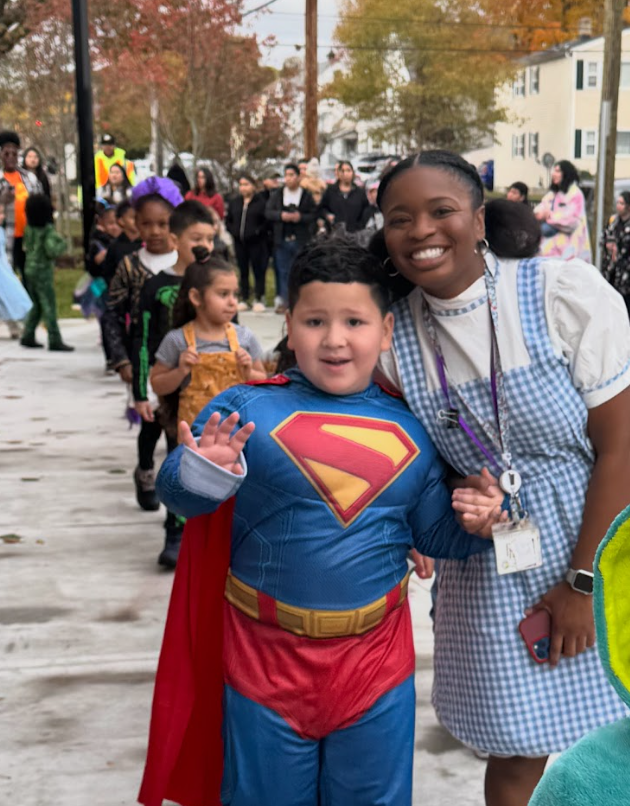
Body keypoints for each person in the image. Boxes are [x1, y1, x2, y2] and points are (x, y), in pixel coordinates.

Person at [138, 237, 504, 806]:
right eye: (315, 321)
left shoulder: (415, 425)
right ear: (289, 326)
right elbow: (179, 496)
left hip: (376, 665)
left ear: (386, 330)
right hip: (263, 660)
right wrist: (202, 471)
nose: (335, 339)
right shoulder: (244, 409)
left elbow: (433, 533)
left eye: (354, 321)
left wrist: (481, 524)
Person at [372, 150, 630, 806]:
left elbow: (620, 447)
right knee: (516, 748)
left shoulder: (558, 294)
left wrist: (582, 582)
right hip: (489, 564)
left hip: (601, 541)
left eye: (441, 211)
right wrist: (444, 507)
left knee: (617, 737)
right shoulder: (395, 337)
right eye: (400, 219)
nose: (422, 231)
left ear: (479, 220)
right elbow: (414, 463)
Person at [101, 176, 183, 512]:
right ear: (135, 223)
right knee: (150, 421)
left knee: (177, 424)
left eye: (163, 223)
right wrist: (121, 359)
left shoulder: (185, 263)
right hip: (143, 355)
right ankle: (146, 471)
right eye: (146, 223)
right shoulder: (130, 265)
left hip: (181, 358)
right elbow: (111, 313)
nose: (155, 231)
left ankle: (176, 486)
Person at [19, 194, 72, 351]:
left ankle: (28, 334)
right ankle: (54, 339)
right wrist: (62, 245)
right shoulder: (47, 231)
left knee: (36, 304)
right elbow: (51, 250)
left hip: (29, 268)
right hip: (43, 271)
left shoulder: (28, 229)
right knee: (49, 305)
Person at [265, 162, 316, 314]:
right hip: (282, 239)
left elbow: (313, 214)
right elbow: (268, 212)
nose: (288, 178)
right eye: (286, 175)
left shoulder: (306, 195)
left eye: (292, 175)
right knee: (282, 271)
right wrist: (281, 215)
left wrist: (300, 217)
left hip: (300, 239)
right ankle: (284, 300)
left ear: (298, 177)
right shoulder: (277, 195)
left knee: (300, 270)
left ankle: (300, 301)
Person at [0, 130, 42, 293]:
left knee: (29, 276)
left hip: (28, 237)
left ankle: (30, 304)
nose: (11, 157)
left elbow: (41, 205)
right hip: (6, 237)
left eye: (14, 153)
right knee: (7, 276)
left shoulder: (30, 178)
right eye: (6, 153)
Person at [226, 173, 269, 313]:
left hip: (256, 242)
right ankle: (244, 297)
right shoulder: (235, 202)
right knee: (243, 270)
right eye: (241, 185)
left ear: (253, 186)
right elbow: (229, 220)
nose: (243, 188)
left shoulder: (261, 202)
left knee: (258, 270)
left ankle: (259, 297)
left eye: (246, 184)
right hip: (239, 242)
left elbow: (266, 222)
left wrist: (256, 232)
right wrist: (233, 231)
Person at [534, 160, 592, 261]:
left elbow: (572, 221)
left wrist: (549, 216)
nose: (553, 174)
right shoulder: (553, 194)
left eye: (558, 171)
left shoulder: (575, 194)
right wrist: (538, 214)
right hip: (550, 254)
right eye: (554, 171)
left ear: (566, 173)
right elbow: (541, 207)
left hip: (570, 253)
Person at [0, 203, 32, 333]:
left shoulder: (1, 231)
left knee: (9, 298)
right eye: (0, 213)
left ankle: (14, 326)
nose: (2, 216)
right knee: (10, 296)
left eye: (2, 213)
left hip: (4, 270)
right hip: (3, 273)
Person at [318, 160, 370, 234]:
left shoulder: (360, 192)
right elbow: (322, 208)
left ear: (353, 173)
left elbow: (366, 211)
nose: (345, 173)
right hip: (335, 233)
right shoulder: (331, 191)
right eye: (342, 171)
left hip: (355, 234)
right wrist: (327, 215)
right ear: (338, 173)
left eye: (348, 170)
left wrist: (360, 226)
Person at [100, 200, 143, 289]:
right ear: (121, 221)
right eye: (133, 218)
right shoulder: (115, 247)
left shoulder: (146, 244)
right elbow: (108, 273)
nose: (138, 221)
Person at [601, 191, 630, 316]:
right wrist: (608, 245)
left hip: (626, 274)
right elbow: (604, 237)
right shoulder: (613, 221)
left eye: (622, 203)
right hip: (611, 270)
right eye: (617, 202)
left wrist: (620, 250)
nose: (618, 206)